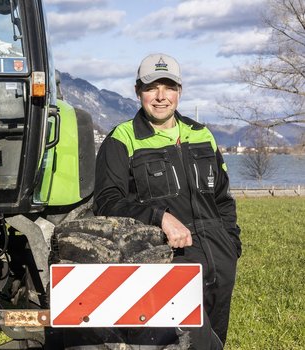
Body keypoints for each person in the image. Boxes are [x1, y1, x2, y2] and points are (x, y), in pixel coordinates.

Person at [93, 53, 241, 349]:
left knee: (216, 339)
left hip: (219, 260)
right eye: (151, 88)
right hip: (172, 259)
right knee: (192, 342)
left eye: (169, 87)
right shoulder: (122, 139)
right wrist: (159, 217)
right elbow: (107, 202)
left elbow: (222, 197)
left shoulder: (201, 135)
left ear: (179, 91)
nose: (161, 97)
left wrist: (231, 244)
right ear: (138, 92)